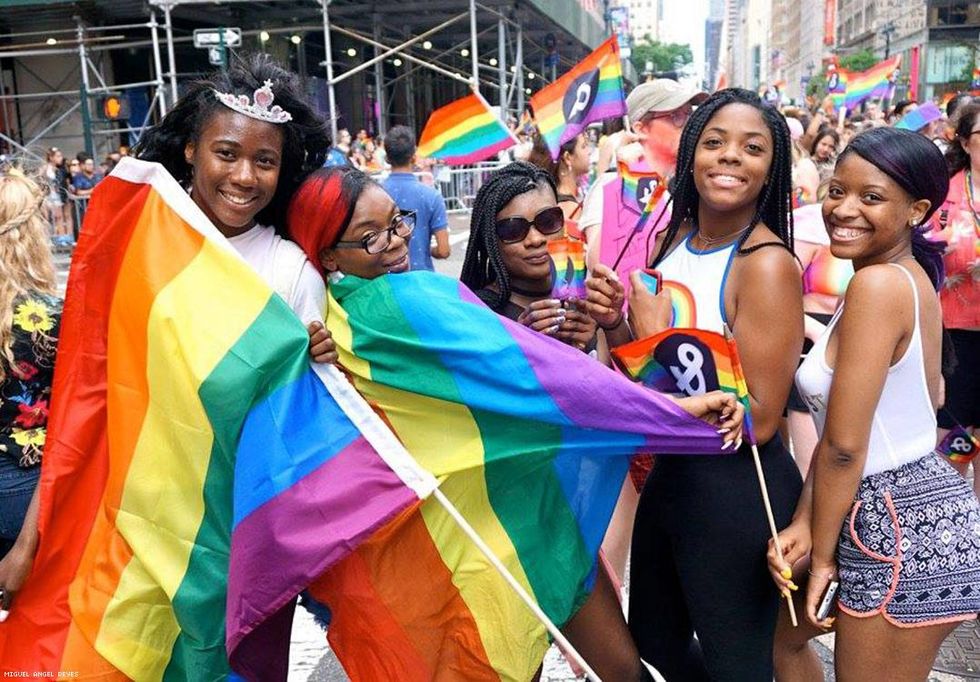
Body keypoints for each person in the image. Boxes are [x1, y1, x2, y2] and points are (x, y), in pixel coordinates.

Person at [287, 162, 747, 682]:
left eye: (399, 222)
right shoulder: (392, 310)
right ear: (328, 256)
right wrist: (675, 412)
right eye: (371, 238)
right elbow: (552, 388)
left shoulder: (380, 309)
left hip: (541, 517)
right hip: (481, 537)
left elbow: (579, 390)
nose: (396, 243)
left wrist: (610, 326)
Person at [588, 87, 805, 681]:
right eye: (714, 142)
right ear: (690, 157)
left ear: (771, 170)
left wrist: (654, 337)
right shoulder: (677, 240)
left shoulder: (765, 264)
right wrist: (616, 323)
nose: (730, 157)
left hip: (738, 494)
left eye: (751, 148)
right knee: (656, 655)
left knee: (740, 666)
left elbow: (757, 419)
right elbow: (651, 382)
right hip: (673, 480)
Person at [772, 127, 980, 680]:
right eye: (837, 190)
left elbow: (844, 446)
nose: (844, 209)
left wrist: (821, 558)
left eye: (871, 197)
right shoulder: (897, 279)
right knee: (787, 649)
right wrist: (803, 521)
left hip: (894, 525)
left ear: (917, 210)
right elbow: (911, 402)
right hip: (910, 510)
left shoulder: (879, 287)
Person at [0, 175, 62, 620]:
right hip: (27, 496)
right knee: (38, 641)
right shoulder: (48, 318)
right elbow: (70, 430)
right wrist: (26, 544)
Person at [459, 162, 597, 353]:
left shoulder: (586, 298)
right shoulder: (478, 313)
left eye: (548, 221)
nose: (535, 239)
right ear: (490, 240)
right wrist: (520, 345)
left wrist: (610, 326)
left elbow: (621, 378)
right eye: (513, 229)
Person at [580, 79, 708, 278]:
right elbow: (602, 265)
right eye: (675, 116)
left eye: (689, 115)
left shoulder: (678, 188)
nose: (688, 126)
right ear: (640, 128)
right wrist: (631, 180)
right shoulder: (612, 184)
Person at [931, 101, 980, 493]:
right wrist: (941, 252)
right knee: (957, 428)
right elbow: (916, 245)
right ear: (965, 142)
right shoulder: (943, 192)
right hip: (955, 329)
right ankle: (952, 501)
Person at [381, 125, 449, 271]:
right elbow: (444, 251)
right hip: (422, 281)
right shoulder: (432, 196)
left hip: (385, 283)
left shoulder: (374, 194)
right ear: (413, 156)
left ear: (387, 157)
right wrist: (426, 251)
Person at [526, 132, 592, 234]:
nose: (589, 151)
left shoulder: (547, 197)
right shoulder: (569, 209)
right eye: (584, 146)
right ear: (567, 157)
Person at [42, 147, 72, 246]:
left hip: (62, 193)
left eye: (61, 156)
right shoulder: (45, 168)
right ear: (51, 157)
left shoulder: (62, 168)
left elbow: (66, 180)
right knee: (55, 217)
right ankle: (58, 237)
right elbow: (41, 181)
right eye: (58, 156)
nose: (61, 158)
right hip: (51, 195)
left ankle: (68, 236)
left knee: (65, 215)